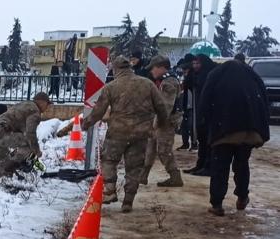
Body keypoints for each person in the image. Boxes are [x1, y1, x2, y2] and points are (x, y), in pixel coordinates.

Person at [82, 56, 168, 212]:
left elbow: (98, 111)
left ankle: (110, 190)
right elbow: (161, 107)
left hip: (117, 132)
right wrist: (160, 123)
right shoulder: (147, 84)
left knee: (109, 160)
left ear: (115, 70)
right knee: (134, 167)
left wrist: (86, 123)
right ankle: (128, 201)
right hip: (141, 134)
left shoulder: (111, 87)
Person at [197, 59, 270, 216]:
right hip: (248, 130)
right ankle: (242, 197)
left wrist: (203, 122)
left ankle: (217, 204)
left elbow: (205, 99)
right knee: (242, 164)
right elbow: (263, 100)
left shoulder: (216, 76)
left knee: (220, 167)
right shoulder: (252, 75)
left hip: (223, 129)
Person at [0, 92, 52, 198]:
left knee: (4, 161)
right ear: (41, 102)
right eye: (47, 104)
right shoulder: (34, 111)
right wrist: (37, 151)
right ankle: (15, 165)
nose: (47, 107)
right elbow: (30, 133)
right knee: (27, 145)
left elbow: (21, 128)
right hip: (2, 132)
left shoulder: (24, 105)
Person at [144, 56, 184, 188]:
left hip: (166, 122)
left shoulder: (169, 82)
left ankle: (175, 177)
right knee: (150, 147)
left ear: (161, 67)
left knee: (163, 149)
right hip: (161, 120)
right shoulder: (164, 80)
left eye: (153, 68)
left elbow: (165, 108)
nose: (151, 71)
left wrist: (155, 124)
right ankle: (143, 175)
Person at [185, 54, 217, 175]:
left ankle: (208, 165)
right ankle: (201, 164)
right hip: (199, 109)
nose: (195, 66)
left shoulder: (209, 74)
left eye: (198, 63)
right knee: (202, 139)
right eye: (194, 64)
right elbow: (188, 84)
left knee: (207, 140)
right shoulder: (196, 74)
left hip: (209, 112)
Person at [177, 54, 196, 150]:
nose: (184, 71)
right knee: (185, 125)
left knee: (191, 125)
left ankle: (194, 143)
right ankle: (186, 143)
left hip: (192, 104)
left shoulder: (193, 76)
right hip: (186, 103)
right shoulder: (187, 76)